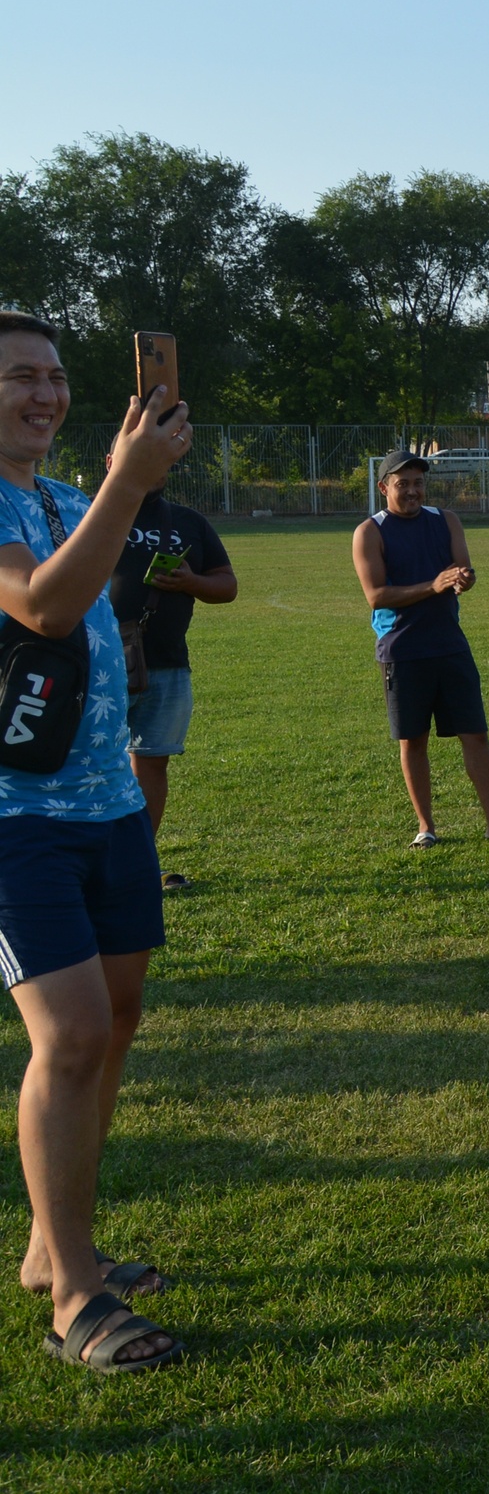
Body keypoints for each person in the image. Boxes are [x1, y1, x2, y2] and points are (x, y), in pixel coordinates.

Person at [0, 308, 189, 1372]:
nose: (45, 393)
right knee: (68, 1034)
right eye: (20, 376)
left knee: (114, 1022)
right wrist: (127, 479)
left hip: (110, 808)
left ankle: (49, 1246)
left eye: (56, 376)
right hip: (13, 821)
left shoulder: (64, 495)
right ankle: (76, 1296)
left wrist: (125, 476)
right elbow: (45, 604)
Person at [352, 451, 489, 847]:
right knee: (412, 740)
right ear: (384, 488)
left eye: (418, 483)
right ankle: (426, 828)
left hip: (450, 645)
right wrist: (431, 586)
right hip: (402, 650)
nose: (413, 491)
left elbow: (464, 570)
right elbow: (376, 595)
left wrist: (463, 579)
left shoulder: (446, 520)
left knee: (476, 734)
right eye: (403, 484)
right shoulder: (370, 532)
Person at [107, 455, 237, 890]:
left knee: (151, 764)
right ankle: (87, 865)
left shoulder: (188, 521)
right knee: (90, 764)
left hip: (167, 664)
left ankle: (136, 863)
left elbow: (226, 584)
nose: (152, 465)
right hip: (95, 666)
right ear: (112, 461)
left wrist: (189, 582)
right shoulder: (85, 511)